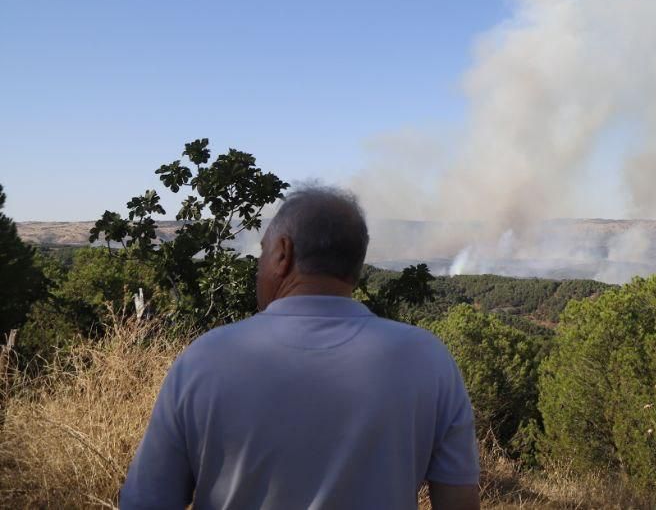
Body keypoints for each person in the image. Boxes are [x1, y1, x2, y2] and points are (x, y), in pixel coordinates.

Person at [119, 186, 481, 510]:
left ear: (282, 253)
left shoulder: (205, 359)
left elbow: (146, 501)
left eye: (262, 251)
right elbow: (459, 503)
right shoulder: (428, 360)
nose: (259, 267)